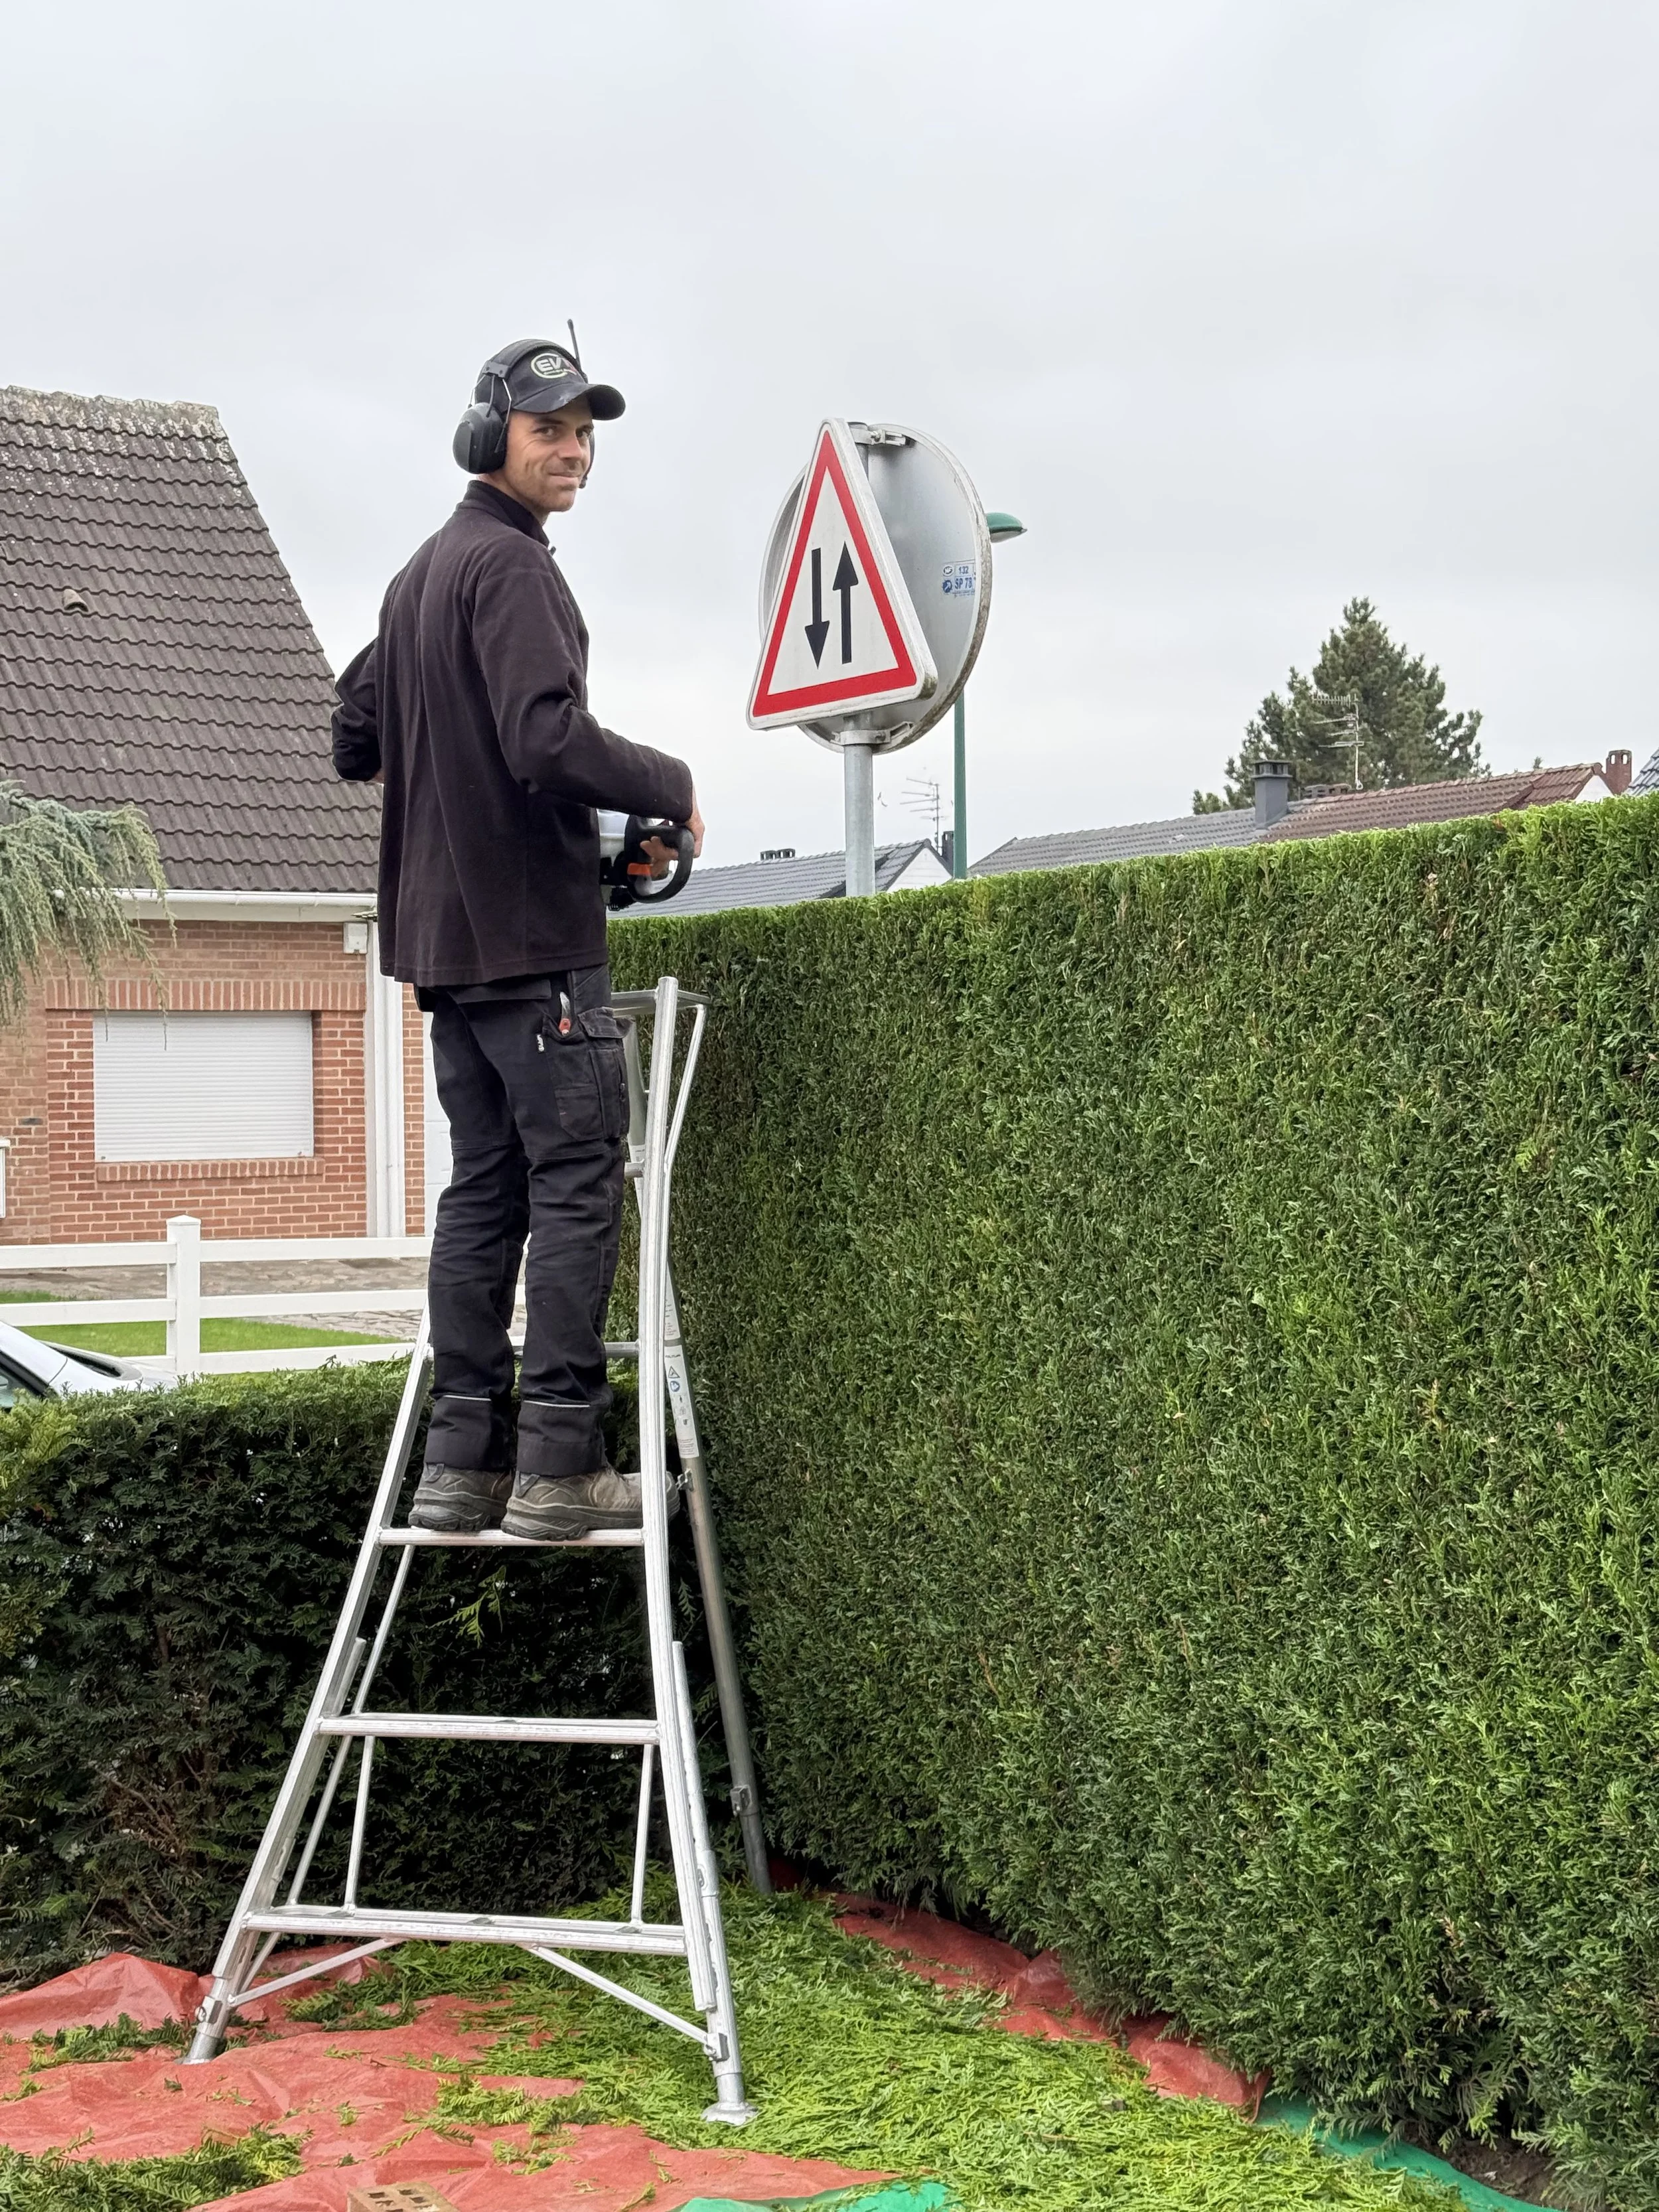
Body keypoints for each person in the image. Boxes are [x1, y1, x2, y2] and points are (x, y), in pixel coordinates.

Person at [332, 336, 702, 1540]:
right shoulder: (514, 572)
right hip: (537, 958)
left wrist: (470, 802)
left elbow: (354, 732)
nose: (575, 451)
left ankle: (460, 1465)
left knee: (484, 1192)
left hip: (445, 957)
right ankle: (557, 1468)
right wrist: (670, 779)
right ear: (492, 435)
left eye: (587, 432)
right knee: (580, 1185)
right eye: (551, 429)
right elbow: (546, 741)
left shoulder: (417, 579)